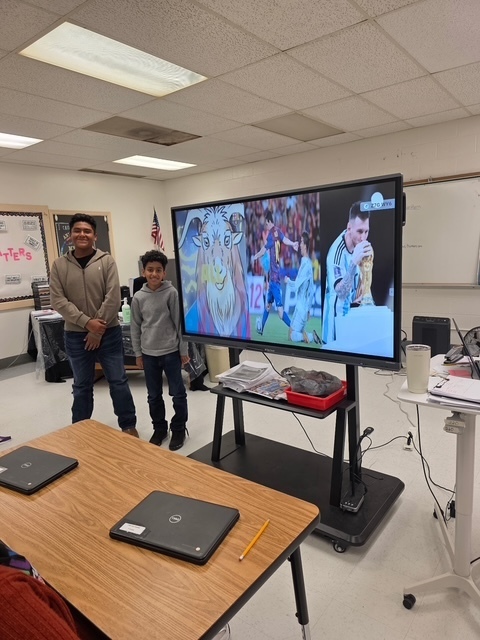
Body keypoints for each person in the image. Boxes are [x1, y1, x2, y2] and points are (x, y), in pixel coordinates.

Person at [50, 214, 138, 437]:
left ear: (95, 236)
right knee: (81, 385)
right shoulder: (59, 265)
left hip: (109, 334)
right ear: (70, 236)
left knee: (118, 381)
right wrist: (87, 323)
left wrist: (97, 330)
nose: (82, 234)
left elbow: (113, 298)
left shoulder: (106, 261)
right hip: (76, 336)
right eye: (77, 230)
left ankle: (128, 426)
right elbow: (58, 300)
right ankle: (80, 429)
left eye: (87, 231)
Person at [130, 250, 189, 451]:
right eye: (150, 270)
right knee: (153, 395)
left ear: (164, 273)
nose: (154, 274)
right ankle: (160, 428)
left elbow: (179, 324)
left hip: (171, 352)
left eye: (158, 270)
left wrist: (183, 350)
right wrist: (138, 353)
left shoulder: (171, 293)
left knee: (178, 393)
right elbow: (135, 327)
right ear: (143, 272)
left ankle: (179, 427)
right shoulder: (138, 297)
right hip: (149, 354)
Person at [322, 202, 372, 344]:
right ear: (349, 227)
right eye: (360, 231)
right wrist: (353, 264)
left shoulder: (361, 246)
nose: (363, 238)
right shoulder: (336, 253)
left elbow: (362, 286)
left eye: (366, 231)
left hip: (350, 321)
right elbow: (341, 293)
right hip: (335, 327)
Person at [251, 210, 298, 336]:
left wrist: (255, 256)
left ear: (268, 221)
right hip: (273, 277)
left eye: (265, 224)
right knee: (268, 306)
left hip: (275, 279)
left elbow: (263, 250)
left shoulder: (271, 235)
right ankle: (261, 329)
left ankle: (295, 328)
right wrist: (293, 243)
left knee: (281, 313)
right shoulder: (278, 231)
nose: (265, 226)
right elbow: (285, 239)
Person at [284, 232, 320, 344]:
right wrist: (309, 309)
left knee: (292, 336)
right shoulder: (306, 263)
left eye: (301, 242)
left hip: (301, 308)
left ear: (305, 245)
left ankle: (311, 336)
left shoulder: (305, 265)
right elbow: (311, 290)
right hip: (303, 308)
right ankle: (307, 335)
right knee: (290, 333)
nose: (299, 245)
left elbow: (295, 286)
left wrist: (287, 281)